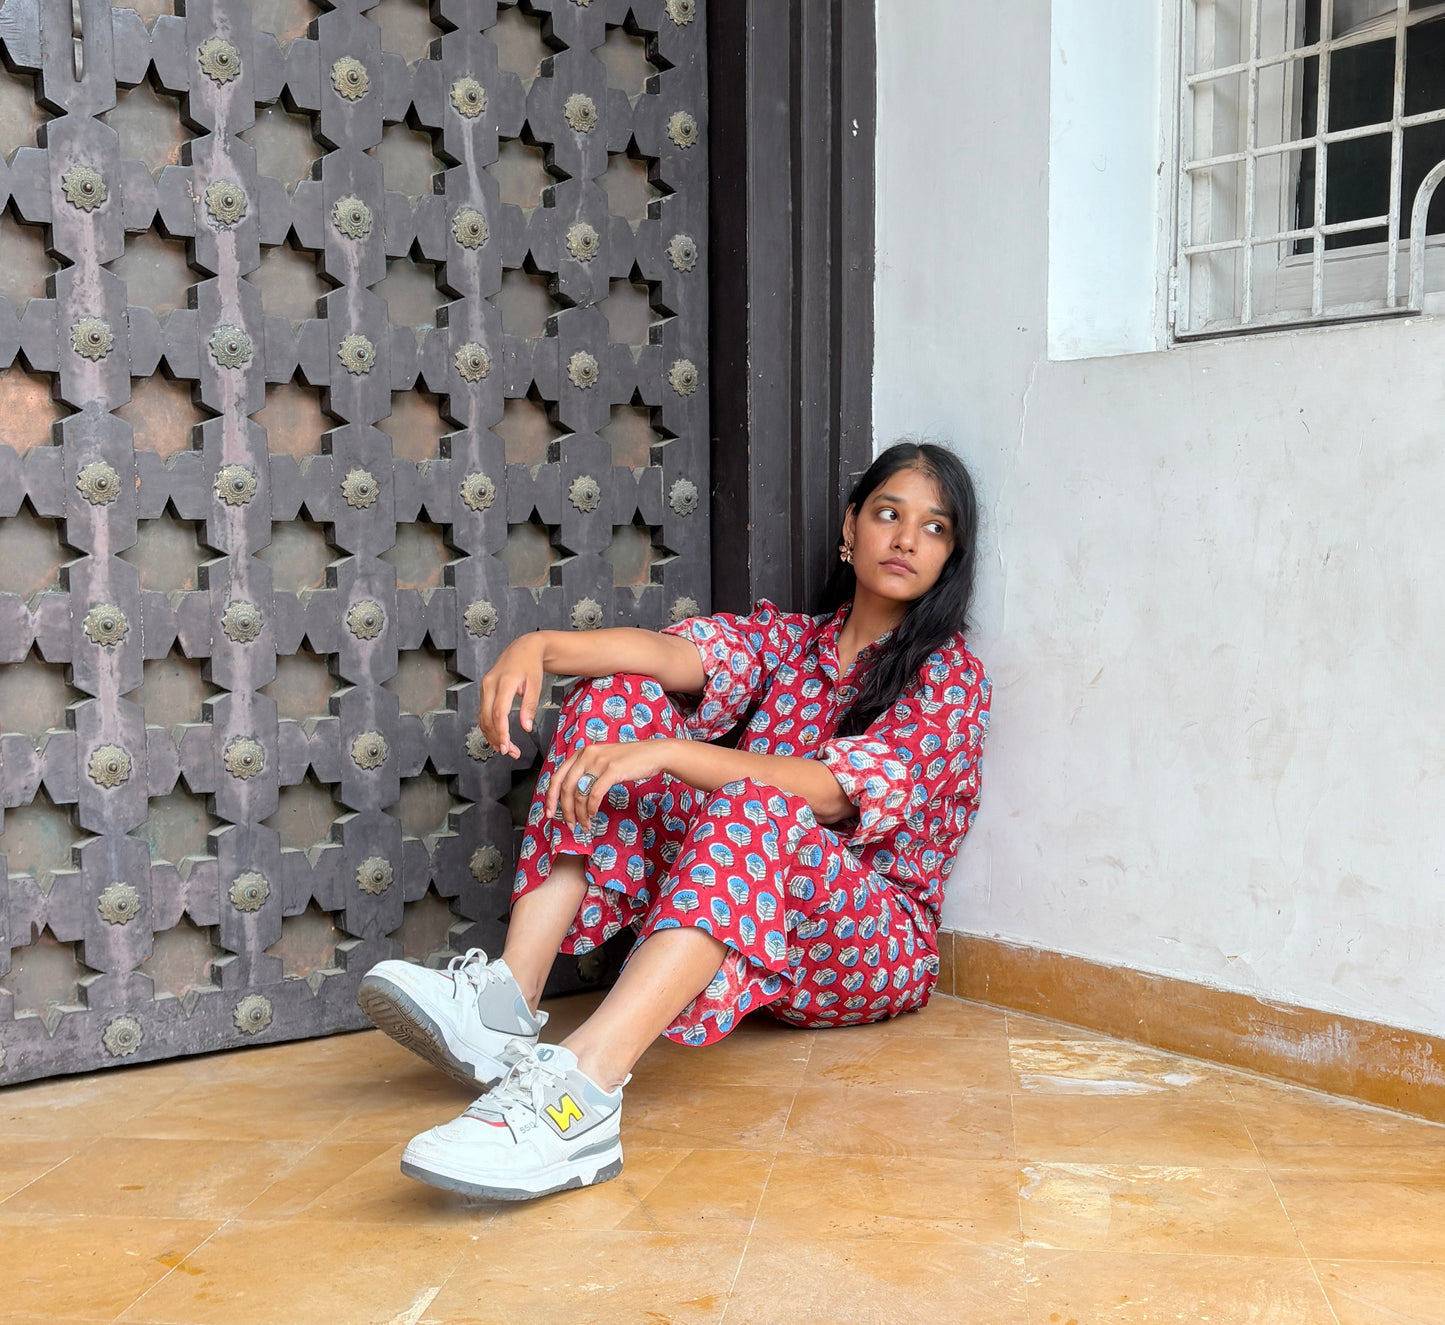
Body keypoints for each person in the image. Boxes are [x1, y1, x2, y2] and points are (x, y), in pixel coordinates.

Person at [357, 441, 991, 1201]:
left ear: (949, 555)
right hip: (750, 908)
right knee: (611, 699)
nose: (905, 538)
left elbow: (823, 792)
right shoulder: (791, 643)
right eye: (888, 513)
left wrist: (667, 755)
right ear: (851, 527)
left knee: (758, 801)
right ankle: (505, 1004)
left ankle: (581, 1094)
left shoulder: (949, 677)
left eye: (934, 527)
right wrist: (540, 648)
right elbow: (664, 654)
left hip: (865, 941)